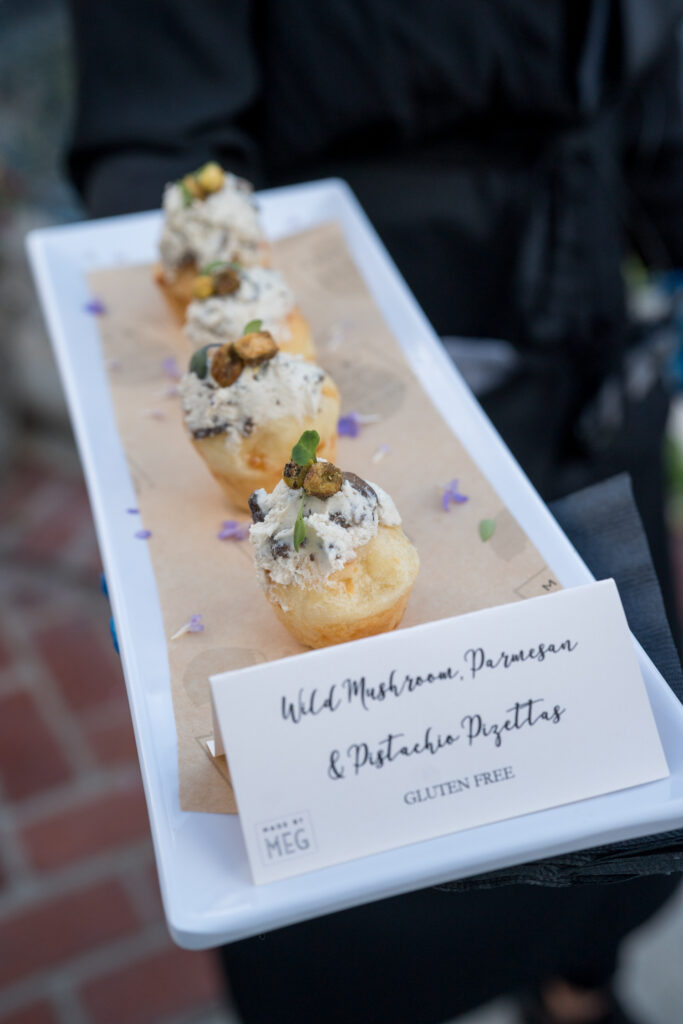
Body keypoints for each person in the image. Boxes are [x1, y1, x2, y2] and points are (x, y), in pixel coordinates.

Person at [66, 3, 683, 1021]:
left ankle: (576, 979)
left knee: (599, 781)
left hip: (576, 349)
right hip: (340, 380)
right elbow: (159, 141)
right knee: (362, 856)